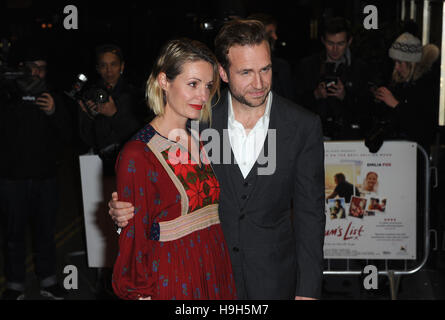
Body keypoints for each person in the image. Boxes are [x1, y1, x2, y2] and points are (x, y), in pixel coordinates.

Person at [109, 19, 326, 300]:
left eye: (265, 69)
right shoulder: (198, 122)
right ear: (223, 73)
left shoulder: (302, 126)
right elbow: (159, 191)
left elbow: (311, 215)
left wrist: (307, 291)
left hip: (276, 280)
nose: (259, 83)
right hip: (210, 277)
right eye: (246, 72)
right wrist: (123, 212)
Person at [111, 38, 237, 300]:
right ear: (164, 81)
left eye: (208, 86)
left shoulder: (205, 137)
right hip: (175, 277)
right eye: (193, 84)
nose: (203, 96)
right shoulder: (138, 154)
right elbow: (134, 238)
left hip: (216, 269)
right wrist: (139, 294)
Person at [0, 47, 72, 300]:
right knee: (13, 235)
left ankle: (48, 281)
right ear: (23, 67)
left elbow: (68, 135)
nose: (37, 72)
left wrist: (54, 112)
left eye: (42, 67)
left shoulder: (52, 94)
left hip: (45, 177)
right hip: (13, 178)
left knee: (45, 233)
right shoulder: (8, 93)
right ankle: (15, 284)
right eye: (33, 66)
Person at [296, 17, 371, 140]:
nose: (335, 49)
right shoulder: (308, 66)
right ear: (323, 41)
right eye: (330, 43)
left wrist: (345, 96)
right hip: (313, 136)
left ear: (349, 41)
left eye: (340, 44)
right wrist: (315, 95)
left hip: (348, 137)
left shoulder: (359, 68)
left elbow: (366, 110)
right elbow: (294, 104)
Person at [78, 44, 142, 175]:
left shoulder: (135, 94)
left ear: (122, 66)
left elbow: (140, 135)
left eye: (113, 64)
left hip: (131, 162)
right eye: (103, 65)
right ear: (97, 68)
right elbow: (85, 139)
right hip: (101, 165)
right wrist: (89, 118)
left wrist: (114, 114)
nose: (109, 71)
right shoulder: (89, 95)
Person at [371, 32, 439, 153]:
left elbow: (423, 127)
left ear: (411, 63)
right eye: (395, 62)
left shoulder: (426, 86)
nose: (396, 67)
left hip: (415, 155)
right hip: (399, 152)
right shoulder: (399, 82)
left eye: (400, 62)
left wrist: (395, 104)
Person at [247, 13, 297, 102]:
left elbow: (289, 101)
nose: (275, 37)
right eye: (270, 32)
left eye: (265, 69)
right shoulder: (281, 66)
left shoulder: (281, 66)